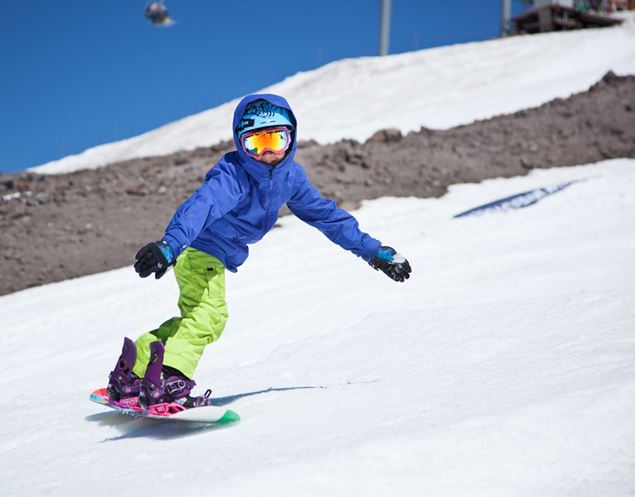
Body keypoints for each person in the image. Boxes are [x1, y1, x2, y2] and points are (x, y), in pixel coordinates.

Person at [107, 94, 412, 413]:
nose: (267, 153)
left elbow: (328, 217)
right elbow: (201, 207)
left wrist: (374, 252)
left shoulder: (290, 177)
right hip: (198, 250)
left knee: (195, 317)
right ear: (241, 145)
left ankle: (136, 368)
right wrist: (170, 245)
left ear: (292, 138)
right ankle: (169, 380)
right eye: (255, 144)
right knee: (210, 315)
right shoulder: (233, 175)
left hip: (211, 256)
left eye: (276, 140)